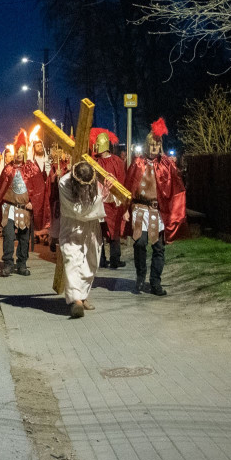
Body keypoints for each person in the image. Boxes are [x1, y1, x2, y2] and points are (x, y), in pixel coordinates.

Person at [123, 118, 186, 296]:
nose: (154, 149)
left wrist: (176, 165)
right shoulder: (137, 163)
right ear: (146, 145)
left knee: (159, 247)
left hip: (157, 211)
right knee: (140, 243)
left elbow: (177, 186)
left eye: (157, 146)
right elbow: (127, 188)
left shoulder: (166, 164)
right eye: (151, 146)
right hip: (140, 210)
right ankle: (140, 276)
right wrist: (125, 211)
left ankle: (155, 282)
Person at [52, 160, 114, 318]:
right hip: (72, 226)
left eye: (88, 185)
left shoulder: (94, 177)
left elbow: (107, 197)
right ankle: (76, 302)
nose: (85, 189)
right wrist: (102, 196)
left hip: (91, 227)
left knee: (90, 262)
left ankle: (83, 296)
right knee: (72, 261)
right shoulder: (64, 184)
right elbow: (78, 211)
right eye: (82, 186)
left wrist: (108, 189)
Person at [0, 130, 48, 277]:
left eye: (21, 153)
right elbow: (0, 189)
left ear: (25, 153)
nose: (18, 155)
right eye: (17, 153)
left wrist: (33, 204)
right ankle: (8, 264)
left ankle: (21, 264)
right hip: (8, 208)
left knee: (23, 238)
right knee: (8, 236)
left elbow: (40, 188)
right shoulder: (8, 169)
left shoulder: (31, 168)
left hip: (24, 209)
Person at [90, 128, 127, 268]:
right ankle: (101, 259)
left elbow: (121, 179)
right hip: (100, 200)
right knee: (99, 230)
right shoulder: (95, 162)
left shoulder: (116, 161)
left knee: (114, 229)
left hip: (114, 201)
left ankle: (115, 258)